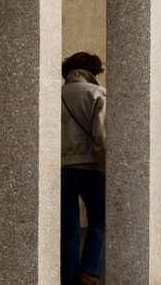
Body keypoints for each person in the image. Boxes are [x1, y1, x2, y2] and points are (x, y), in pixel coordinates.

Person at [60, 51, 107, 285]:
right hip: (91, 167)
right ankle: (87, 271)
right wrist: (107, 170)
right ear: (94, 71)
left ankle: (68, 279)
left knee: (68, 228)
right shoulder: (96, 93)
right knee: (100, 220)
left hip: (62, 168)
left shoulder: (55, 94)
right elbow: (101, 136)